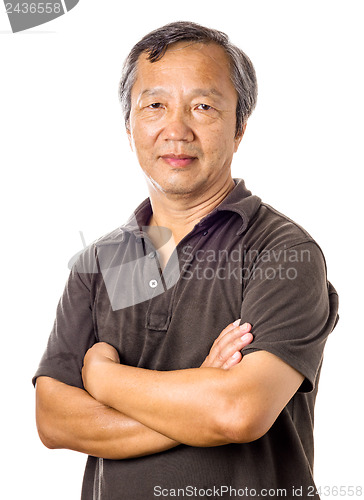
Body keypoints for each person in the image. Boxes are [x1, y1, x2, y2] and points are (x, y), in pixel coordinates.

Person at [33, 21, 339, 500]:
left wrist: (103, 378)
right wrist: (198, 401)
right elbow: (53, 419)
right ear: (129, 125)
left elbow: (237, 413)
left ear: (239, 128)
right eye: (154, 105)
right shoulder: (103, 260)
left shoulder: (281, 252)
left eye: (203, 107)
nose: (176, 130)